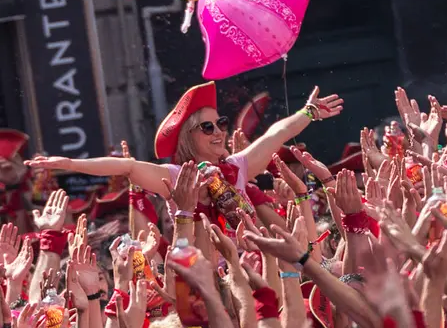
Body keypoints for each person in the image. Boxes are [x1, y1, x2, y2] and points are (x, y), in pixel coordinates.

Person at [24, 82, 343, 202]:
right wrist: (68, 164)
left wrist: (309, 112)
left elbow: (277, 134)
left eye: (220, 123)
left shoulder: (238, 167)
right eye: (206, 127)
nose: (218, 131)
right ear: (188, 138)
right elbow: (127, 166)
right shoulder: (178, 178)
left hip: (252, 268)